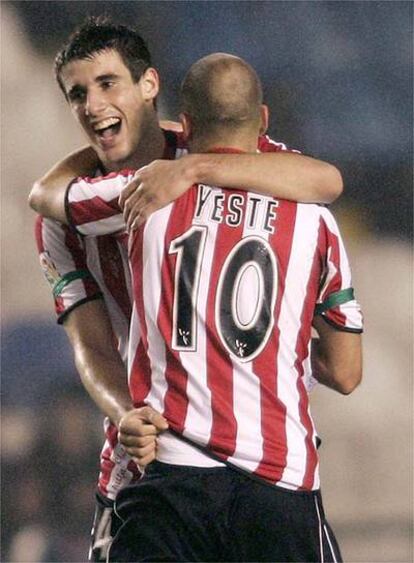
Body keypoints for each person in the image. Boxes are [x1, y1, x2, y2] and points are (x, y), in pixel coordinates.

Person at [30, 19, 343, 560]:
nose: (93, 104)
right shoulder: (65, 217)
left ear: (149, 84)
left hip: (254, 459)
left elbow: (322, 179)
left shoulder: (217, 149)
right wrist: (125, 412)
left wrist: (193, 167)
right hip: (148, 454)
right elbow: (91, 344)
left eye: (108, 84)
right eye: (78, 94)